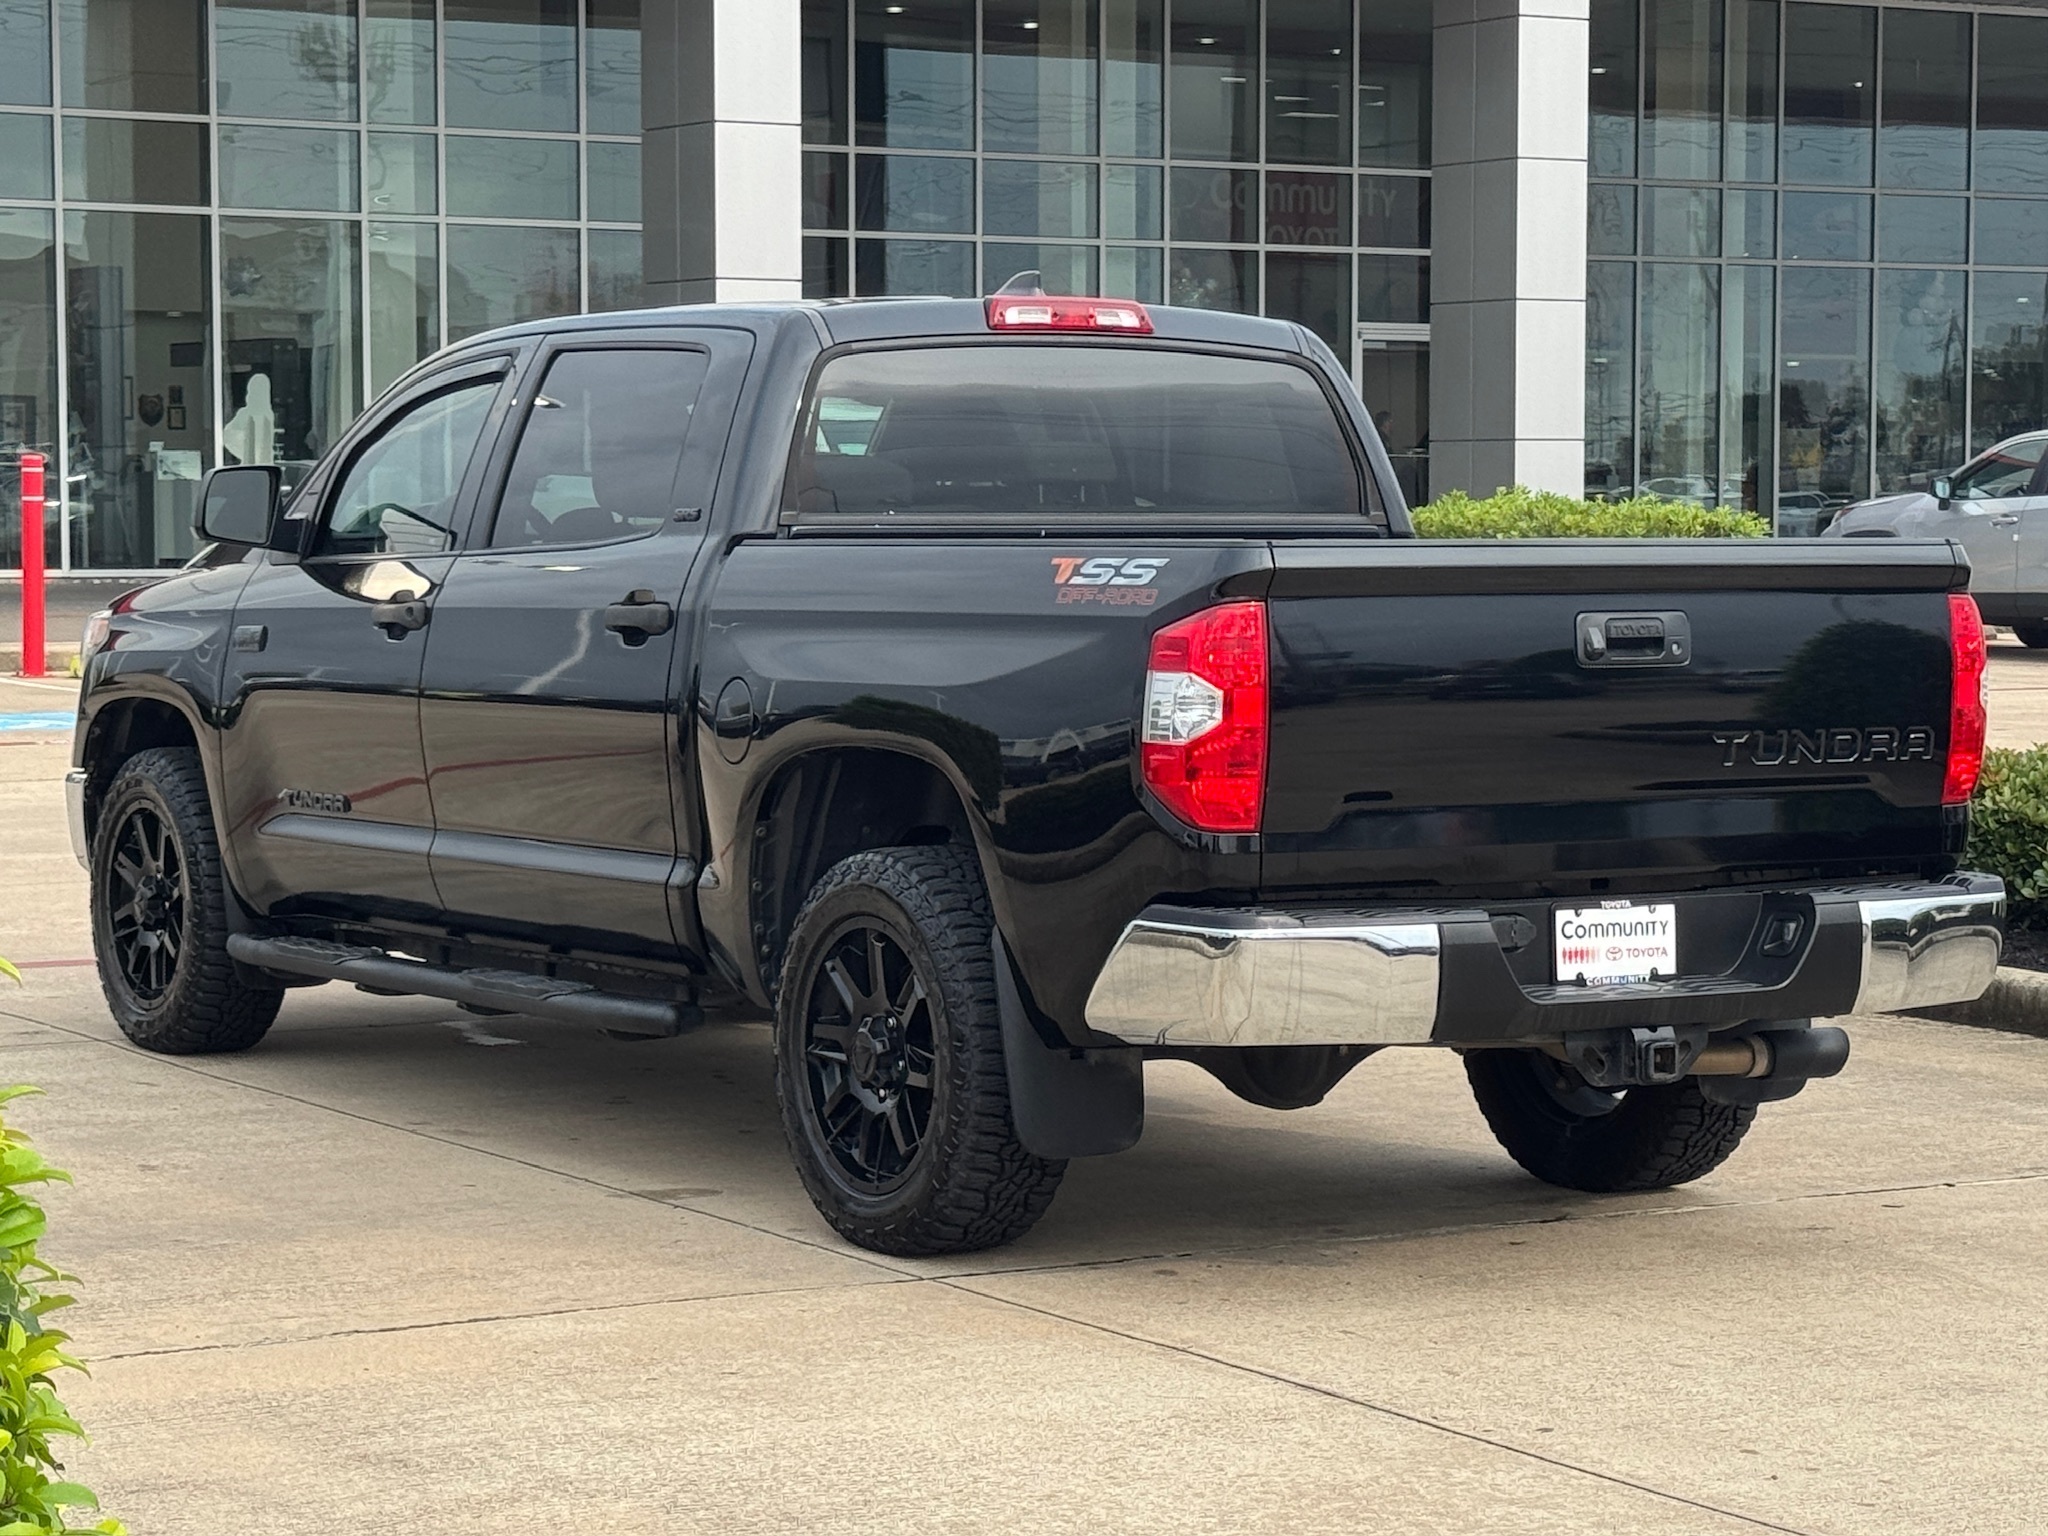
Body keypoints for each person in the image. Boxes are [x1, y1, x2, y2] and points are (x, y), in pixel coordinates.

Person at [222, 373, 276, 466]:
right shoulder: (268, 413)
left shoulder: (246, 413)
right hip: (261, 460)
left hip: (253, 459)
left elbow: (228, 435)